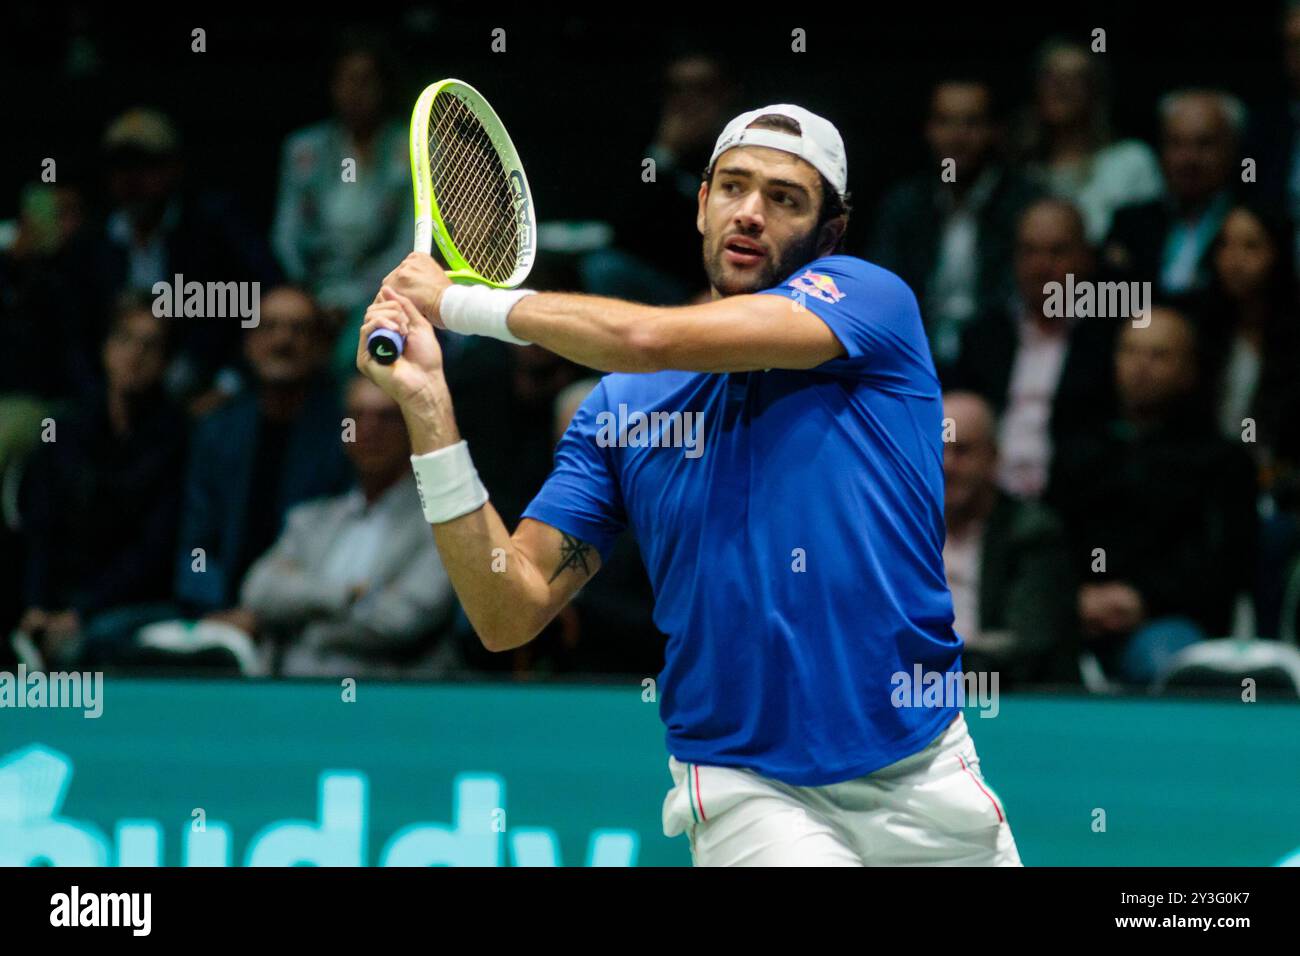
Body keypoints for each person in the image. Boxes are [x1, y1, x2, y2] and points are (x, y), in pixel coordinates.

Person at [359, 104, 1021, 866]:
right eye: (733, 187)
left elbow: (646, 338)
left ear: (830, 233)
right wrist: (428, 408)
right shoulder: (621, 411)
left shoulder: (872, 306)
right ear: (701, 202)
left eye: (785, 198)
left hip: (922, 765)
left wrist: (460, 304)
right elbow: (508, 610)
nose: (750, 212)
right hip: (746, 784)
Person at [1047, 306, 1258, 685]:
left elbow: (1226, 565)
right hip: (1070, 613)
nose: (1140, 366)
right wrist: (1074, 595)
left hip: (1169, 621)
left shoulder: (1223, 461)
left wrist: (1143, 599)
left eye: (1159, 355)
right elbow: (1052, 538)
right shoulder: (1079, 450)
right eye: (1130, 351)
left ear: (1190, 370)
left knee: (1165, 663)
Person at [237, 376, 457, 678]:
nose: (368, 429)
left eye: (386, 417)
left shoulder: (442, 524)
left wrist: (303, 623)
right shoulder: (310, 520)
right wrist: (345, 595)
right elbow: (259, 590)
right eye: (357, 417)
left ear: (413, 427)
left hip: (390, 700)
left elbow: (400, 620)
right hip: (290, 694)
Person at [15, 295, 187, 669]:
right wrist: (35, 606)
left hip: (131, 604)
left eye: (150, 345)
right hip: (56, 599)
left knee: (92, 646)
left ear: (167, 362)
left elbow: (153, 552)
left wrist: (79, 612)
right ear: (106, 348)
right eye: (125, 339)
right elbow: (39, 529)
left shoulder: (180, 441)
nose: (135, 355)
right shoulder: (62, 431)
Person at [947, 198, 1121, 498]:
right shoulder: (984, 337)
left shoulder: (1110, 340)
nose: (1041, 266)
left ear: (1086, 258)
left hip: (1078, 500)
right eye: (1029, 252)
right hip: (986, 501)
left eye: (1057, 252)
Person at [871, 76, 1043, 370]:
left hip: (1003, 363)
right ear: (928, 129)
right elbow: (882, 290)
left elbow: (1021, 300)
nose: (957, 136)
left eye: (972, 123)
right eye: (946, 122)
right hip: (912, 357)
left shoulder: (1026, 205)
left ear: (995, 130)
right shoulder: (905, 204)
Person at [941, 392, 1079, 687]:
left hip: (1009, 701)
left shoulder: (1033, 532)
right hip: (917, 697)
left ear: (993, 458)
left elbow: (1028, 645)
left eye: (962, 451)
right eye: (938, 449)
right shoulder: (902, 534)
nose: (947, 465)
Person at [1014, 39, 1164, 243]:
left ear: (1095, 89)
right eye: (1050, 76)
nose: (1060, 87)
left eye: (1074, 78)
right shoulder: (1022, 171)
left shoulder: (1130, 162)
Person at [1103, 91, 1245, 297]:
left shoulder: (1250, 223)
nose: (1188, 159)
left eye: (1204, 144)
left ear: (1232, 149)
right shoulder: (1130, 224)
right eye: (1176, 143)